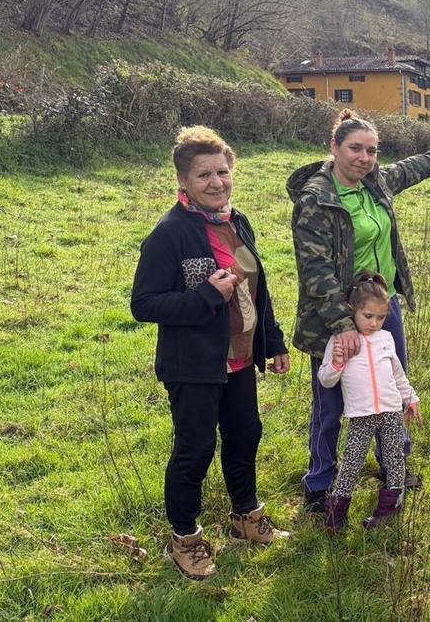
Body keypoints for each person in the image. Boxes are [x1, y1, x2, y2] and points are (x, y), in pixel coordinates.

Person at [131, 126, 291, 581]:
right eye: (204, 175)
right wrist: (204, 295)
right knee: (195, 449)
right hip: (194, 365)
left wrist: (273, 341)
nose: (216, 181)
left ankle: (246, 517)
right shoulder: (169, 233)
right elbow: (143, 304)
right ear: (184, 181)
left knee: (245, 436)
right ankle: (184, 537)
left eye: (223, 171)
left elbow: (258, 288)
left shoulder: (236, 220)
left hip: (239, 359)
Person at [288, 109, 430, 513]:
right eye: (355, 148)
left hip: (383, 308)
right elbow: (313, 269)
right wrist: (342, 325)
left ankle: (394, 469)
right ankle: (321, 482)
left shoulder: (375, 183)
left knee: (390, 394)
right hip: (334, 315)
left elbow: (410, 168)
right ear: (333, 148)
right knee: (330, 403)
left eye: (371, 150)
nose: (364, 158)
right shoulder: (316, 199)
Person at [318, 272, 422, 531]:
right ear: (352, 309)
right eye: (368, 316)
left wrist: (411, 398)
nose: (375, 323)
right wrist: (337, 363)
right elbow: (326, 380)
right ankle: (337, 510)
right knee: (352, 462)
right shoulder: (341, 341)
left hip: (390, 412)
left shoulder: (386, 339)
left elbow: (398, 374)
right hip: (361, 414)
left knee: (395, 459)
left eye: (381, 317)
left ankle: (389, 506)